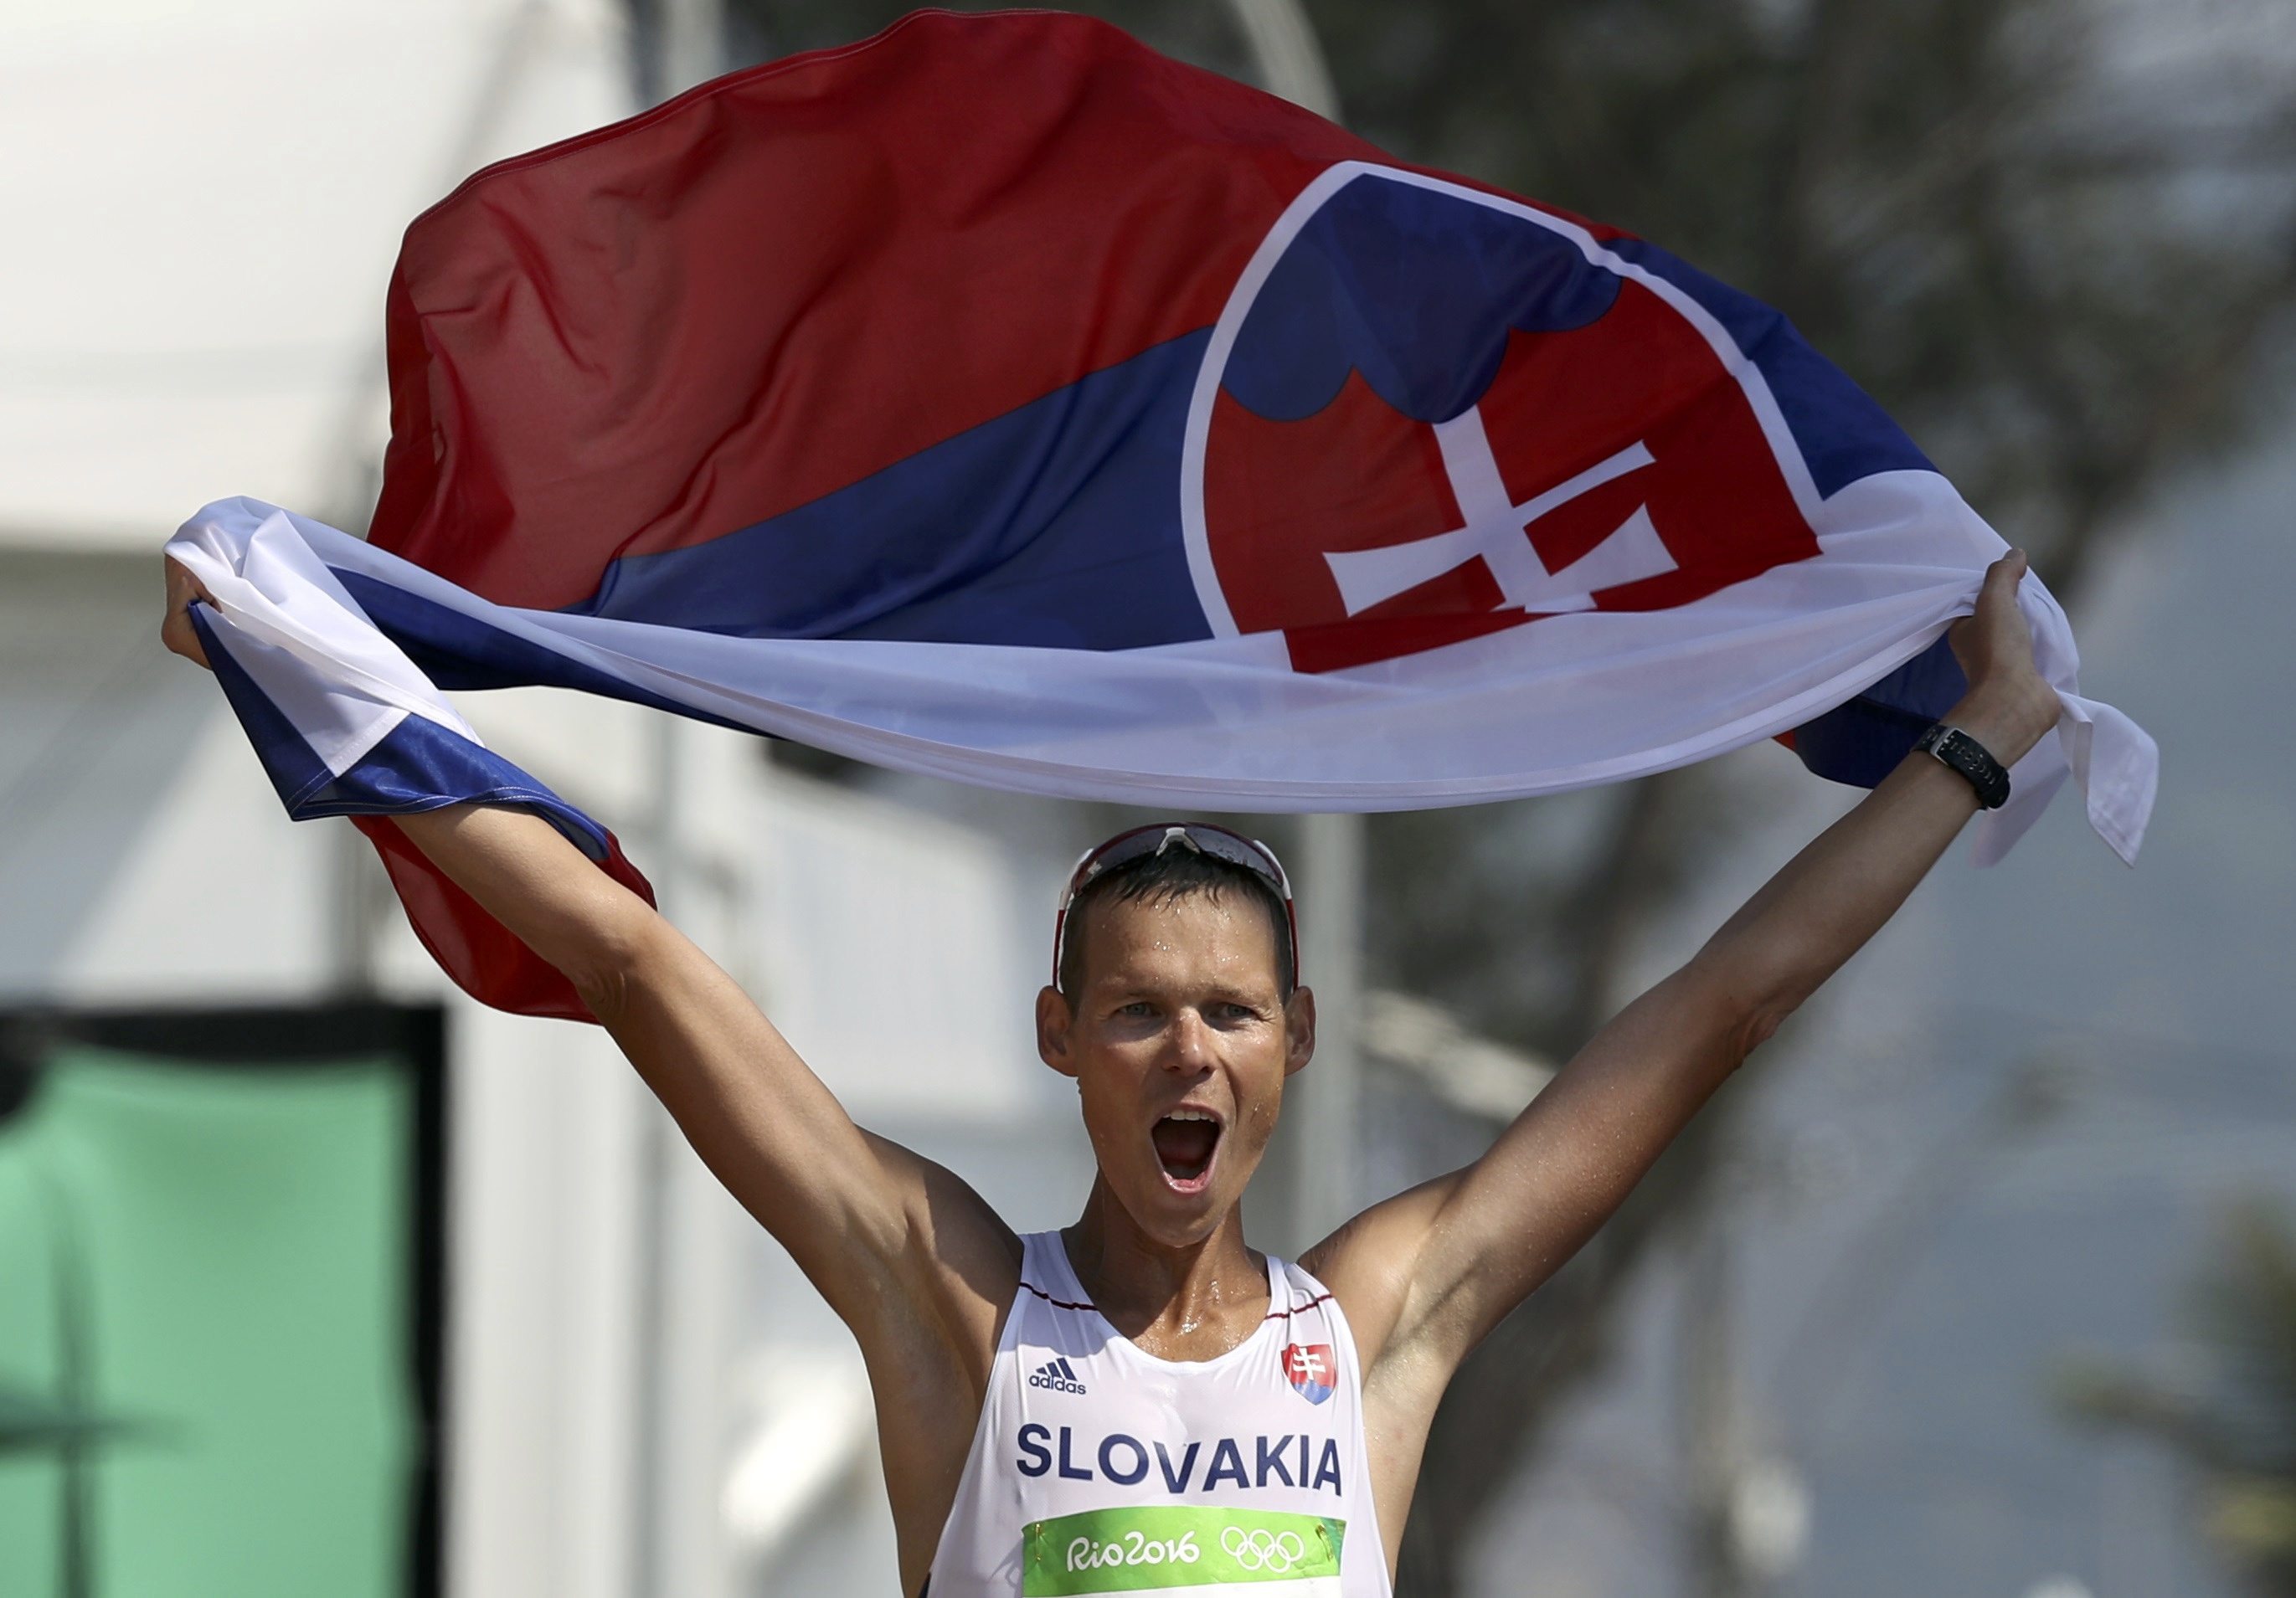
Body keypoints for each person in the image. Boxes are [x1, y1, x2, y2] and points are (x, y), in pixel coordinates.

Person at [162, 548, 2061, 1595]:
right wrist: (302, 682)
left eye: (1233, 1013)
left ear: (1296, 1044)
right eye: (1140, 1009)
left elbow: (1727, 998)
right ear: (1058, 1038)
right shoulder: (954, 1298)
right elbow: (639, 961)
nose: (1190, 1050)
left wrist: (1973, 742)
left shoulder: (1381, 1326)